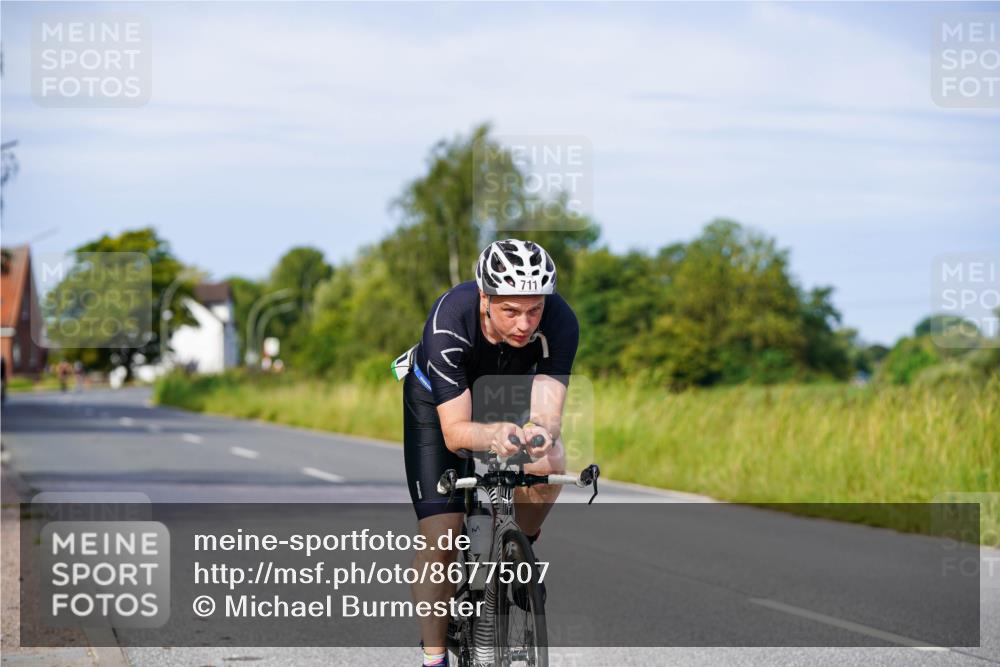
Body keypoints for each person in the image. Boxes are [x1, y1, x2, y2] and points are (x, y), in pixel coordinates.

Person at [398, 239, 578, 667]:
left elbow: (547, 414)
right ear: (485, 298)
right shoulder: (449, 322)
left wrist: (537, 434)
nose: (524, 324)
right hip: (438, 404)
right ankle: (435, 658)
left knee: (549, 459)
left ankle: (520, 554)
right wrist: (492, 434)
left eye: (534, 310)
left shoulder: (560, 321)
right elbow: (456, 433)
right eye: (510, 311)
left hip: (506, 394)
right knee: (442, 536)